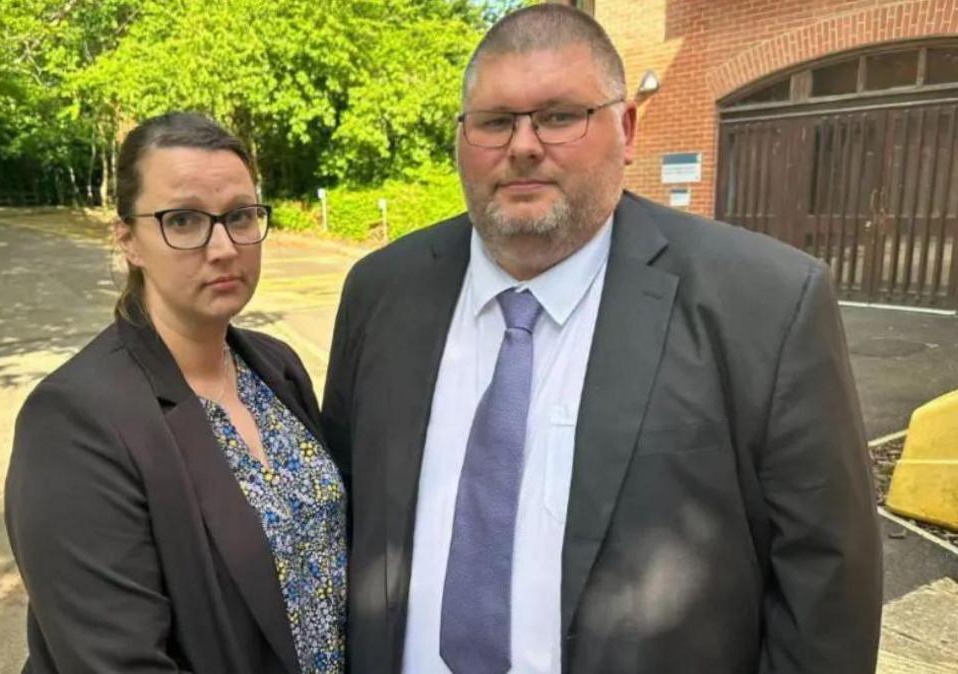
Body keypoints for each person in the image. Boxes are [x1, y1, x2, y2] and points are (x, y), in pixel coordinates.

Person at [322, 5, 881, 674]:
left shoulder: (764, 305)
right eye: (495, 121)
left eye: (560, 116)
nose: (523, 145)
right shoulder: (381, 292)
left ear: (627, 128)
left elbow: (827, 586)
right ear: (461, 137)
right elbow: (347, 515)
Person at [5, 112, 346, 674]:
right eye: (183, 221)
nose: (222, 247)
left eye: (240, 216)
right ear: (129, 241)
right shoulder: (74, 421)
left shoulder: (275, 368)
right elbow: (114, 662)